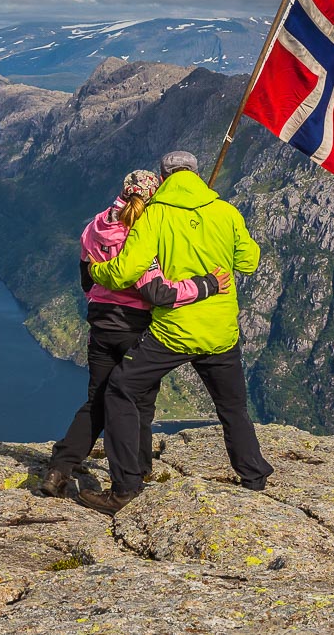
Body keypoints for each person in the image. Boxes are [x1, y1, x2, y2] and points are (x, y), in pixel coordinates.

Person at [77, 151, 272, 515]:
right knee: (232, 407)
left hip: (174, 333)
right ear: (196, 175)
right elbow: (250, 261)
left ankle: (125, 488)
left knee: (120, 389)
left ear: (164, 179)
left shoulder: (155, 215)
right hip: (221, 332)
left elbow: (123, 272)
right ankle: (254, 476)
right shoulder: (226, 212)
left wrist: (95, 272)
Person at [39, 169, 231, 499]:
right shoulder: (141, 232)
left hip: (101, 325)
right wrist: (207, 284)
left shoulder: (95, 225)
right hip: (135, 328)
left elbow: (87, 278)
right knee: (138, 401)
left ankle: (59, 469)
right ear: (153, 196)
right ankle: (136, 472)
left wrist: (100, 301)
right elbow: (158, 293)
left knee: (98, 400)